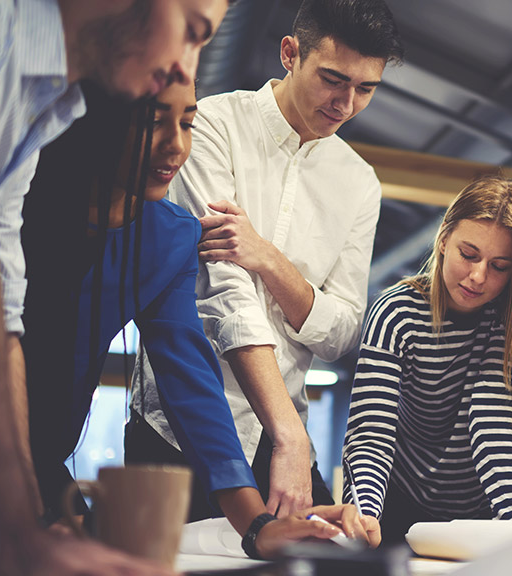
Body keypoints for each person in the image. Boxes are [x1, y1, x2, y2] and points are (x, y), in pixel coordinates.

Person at [21, 80, 379, 558]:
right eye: (153, 123)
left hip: (39, 455)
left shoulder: (167, 237)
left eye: (187, 123)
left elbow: (189, 381)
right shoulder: (12, 209)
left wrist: (256, 527)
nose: (177, 147)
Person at [0, 1, 229, 574]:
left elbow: (2, 314)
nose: (183, 66)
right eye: (191, 34)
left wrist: (32, 519)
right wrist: (18, 536)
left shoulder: (45, 106)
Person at [128, 0, 404, 523]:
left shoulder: (359, 182)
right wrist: (291, 435)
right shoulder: (209, 125)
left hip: (279, 441)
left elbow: (342, 332)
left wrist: (269, 259)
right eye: (333, 79)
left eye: (366, 89)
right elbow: (221, 290)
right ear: (290, 54)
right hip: (177, 430)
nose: (346, 104)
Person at [343, 175, 512, 545]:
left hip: (476, 513)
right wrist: (365, 512)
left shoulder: (502, 322)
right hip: (397, 505)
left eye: (499, 266)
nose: (478, 277)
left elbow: (493, 430)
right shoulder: (396, 313)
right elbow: (372, 433)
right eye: (468, 254)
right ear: (443, 240)